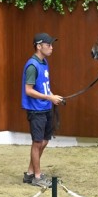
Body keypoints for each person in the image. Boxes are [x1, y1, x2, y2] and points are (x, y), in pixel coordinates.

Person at [21, 33, 64, 188]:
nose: (52, 48)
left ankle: (30, 173)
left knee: (44, 141)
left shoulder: (44, 62)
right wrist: (49, 98)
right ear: (39, 46)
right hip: (36, 110)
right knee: (37, 142)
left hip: (45, 108)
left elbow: (44, 87)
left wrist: (53, 97)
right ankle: (37, 177)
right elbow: (28, 90)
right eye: (48, 45)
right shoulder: (32, 66)